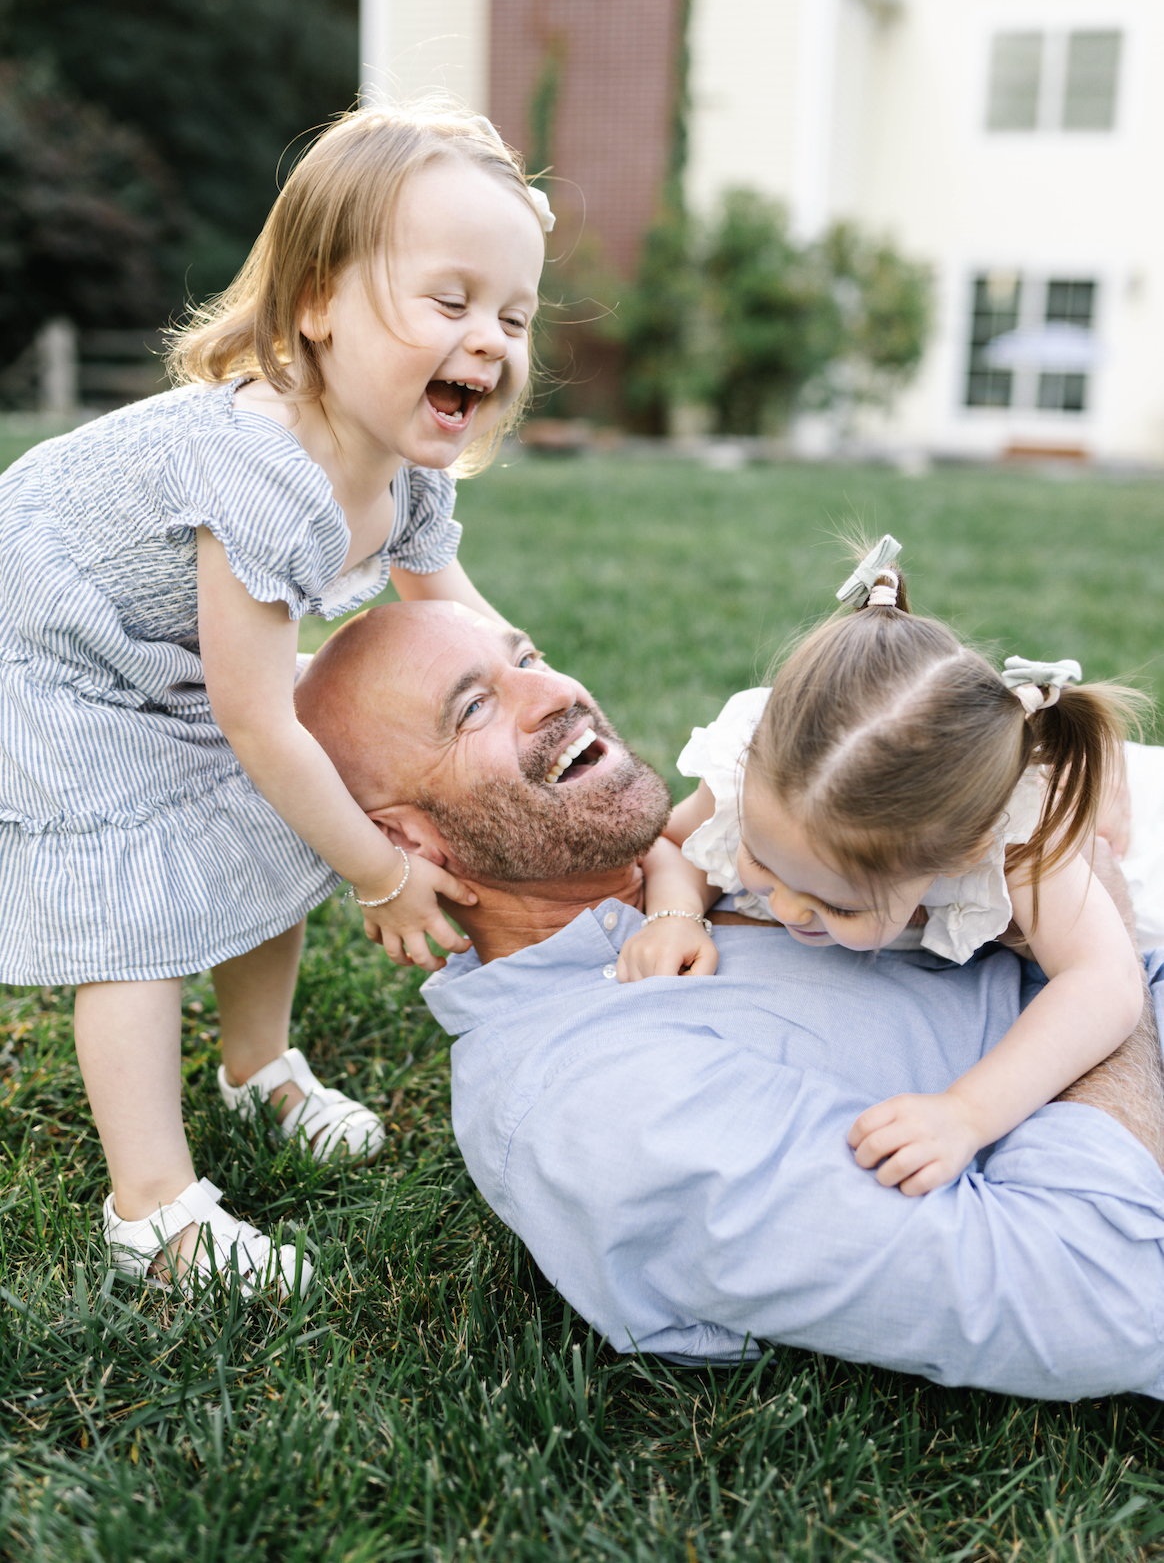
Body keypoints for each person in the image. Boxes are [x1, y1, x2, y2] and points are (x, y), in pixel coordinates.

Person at [294, 599, 1164, 1402]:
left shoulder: (725, 850)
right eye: (472, 708)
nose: (557, 690)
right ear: (402, 839)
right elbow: (1107, 1295)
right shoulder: (607, 1103)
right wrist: (1102, 920)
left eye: (526, 654)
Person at [0, 105, 552, 1298]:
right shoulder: (260, 470)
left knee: (268, 822)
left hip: (164, 654)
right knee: (133, 915)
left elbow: (445, 606)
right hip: (51, 652)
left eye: (512, 314)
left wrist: (534, 686)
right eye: (449, 303)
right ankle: (150, 1211)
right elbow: (261, 722)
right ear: (317, 301)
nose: (491, 341)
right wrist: (379, 870)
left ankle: (257, 1067)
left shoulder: (398, 461)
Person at [619, 535, 1149, 1197]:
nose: (783, 908)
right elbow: (669, 842)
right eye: (759, 858)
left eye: (839, 904)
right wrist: (674, 912)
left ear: (959, 853)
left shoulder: (1013, 841)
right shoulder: (768, 766)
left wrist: (966, 1113)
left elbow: (1105, 982)